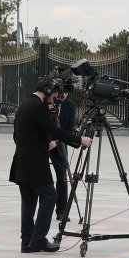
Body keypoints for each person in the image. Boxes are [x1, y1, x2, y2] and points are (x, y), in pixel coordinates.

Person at [10, 76, 91, 253]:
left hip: (22, 161)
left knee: (29, 202)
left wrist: (39, 142)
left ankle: (27, 242)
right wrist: (79, 140)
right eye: (54, 95)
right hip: (35, 163)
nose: (55, 99)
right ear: (47, 91)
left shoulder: (24, 104)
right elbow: (55, 131)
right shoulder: (38, 107)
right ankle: (38, 239)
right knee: (49, 196)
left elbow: (18, 135)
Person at [51, 84, 78, 220]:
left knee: (62, 177)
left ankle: (61, 211)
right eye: (61, 93)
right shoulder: (47, 103)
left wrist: (57, 141)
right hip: (44, 144)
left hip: (60, 145)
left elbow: (69, 129)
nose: (63, 95)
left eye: (66, 93)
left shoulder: (70, 106)